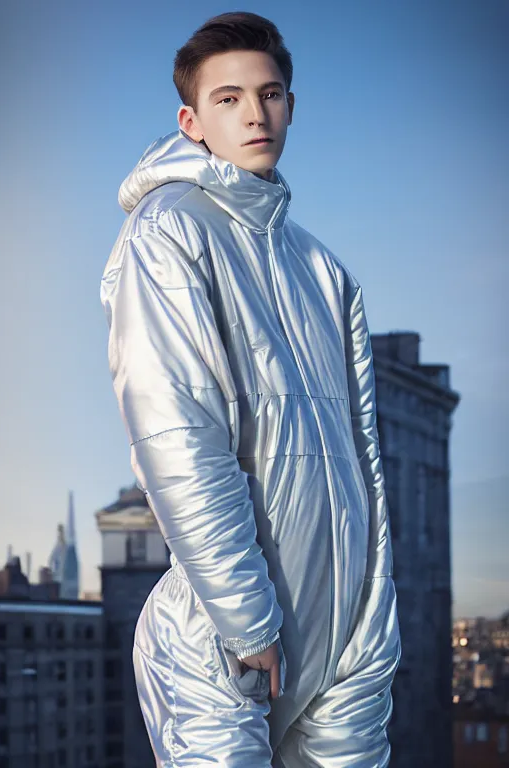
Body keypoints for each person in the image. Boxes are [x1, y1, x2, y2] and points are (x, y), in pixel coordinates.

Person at [100, 11, 401, 767]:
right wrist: (244, 620)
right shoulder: (169, 230)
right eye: (229, 98)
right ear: (191, 120)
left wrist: (370, 627)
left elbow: (363, 461)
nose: (255, 113)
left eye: (270, 94)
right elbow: (177, 433)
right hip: (221, 642)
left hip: (340, 640)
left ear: (291, 106)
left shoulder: (326, 273)